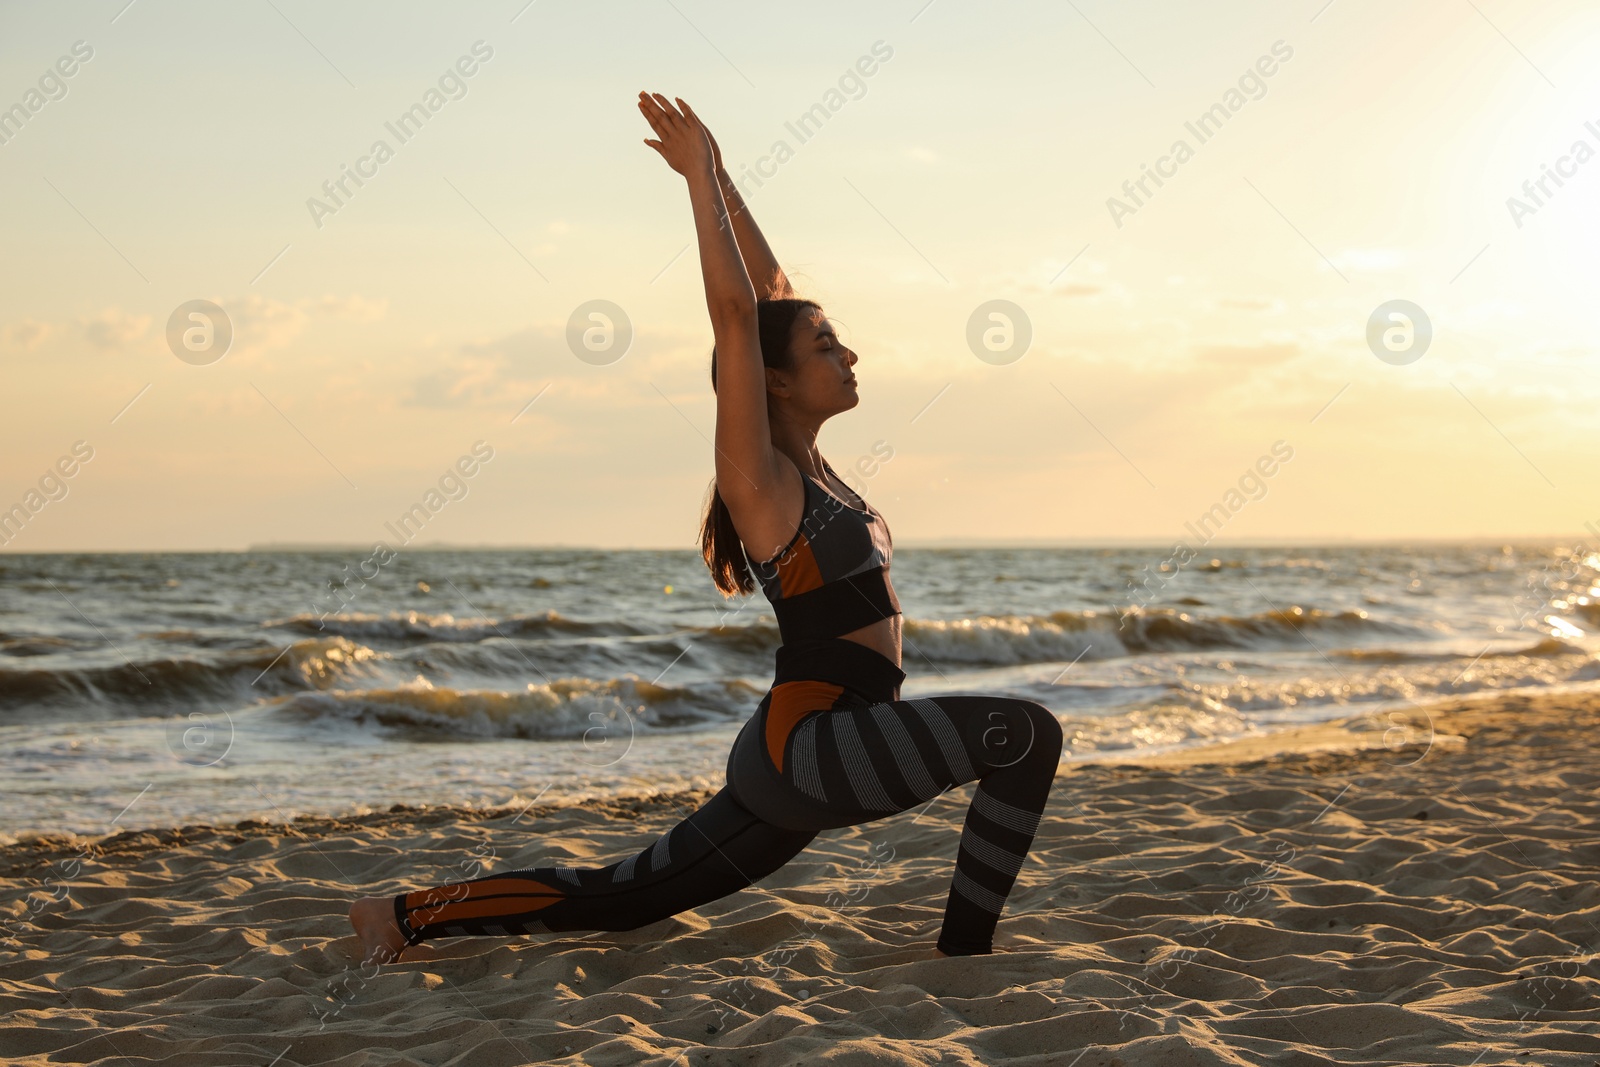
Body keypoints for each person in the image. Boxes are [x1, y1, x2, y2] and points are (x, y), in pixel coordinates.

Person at [348, 92, 1062, 965]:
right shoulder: (760, 484)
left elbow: (768, 299)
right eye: (828, 345)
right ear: (776, 384)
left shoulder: (816, 468)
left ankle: (402, 914)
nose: (850, 354)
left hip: (829, 737)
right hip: (814, 743)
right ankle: (965, 959)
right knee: (1025, 734)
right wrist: (693, 183)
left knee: (630, 895)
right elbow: (739, 319)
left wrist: (723, 177)